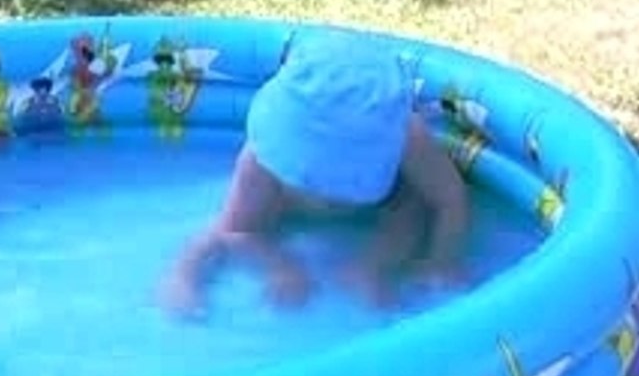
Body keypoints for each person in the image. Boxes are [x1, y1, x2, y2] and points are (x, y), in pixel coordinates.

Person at [160, 32, 470, 318]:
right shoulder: (266, 155)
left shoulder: (405, 136)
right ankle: (182, 276)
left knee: (410, 207)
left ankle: (370, 269)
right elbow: (234, 230)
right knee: (231, 225)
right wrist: (279, 265)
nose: (329, 200)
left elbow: (449, 199)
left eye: (340, 189)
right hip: (286, 203)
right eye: (314, 183)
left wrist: (441, 261)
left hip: (381, 204)